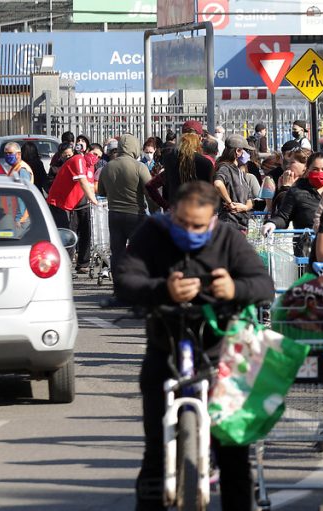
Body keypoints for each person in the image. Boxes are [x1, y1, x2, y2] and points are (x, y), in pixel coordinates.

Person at [115, 180, 274, 511]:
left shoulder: (228, 238)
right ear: (172, 213)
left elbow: (263, 284)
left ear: (213, 219)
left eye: (198, 226)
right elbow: (126, 279)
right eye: (182, 223)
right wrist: (163, 289)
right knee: (155, 451)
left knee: (233, 455)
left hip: (219, 354)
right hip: (166, 347)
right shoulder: (152, 233)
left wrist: (234, 289)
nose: (189, 231)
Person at [97, 134, 151, 292]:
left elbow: (101, 191)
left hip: (114, 214)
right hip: (136, 214)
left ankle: (118, 287)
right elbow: (150, 190)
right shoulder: (139, 167)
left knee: (117, 252)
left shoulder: (108, 167)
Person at [46, 143, 100, 267]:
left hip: (73, 204)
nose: (95, 157)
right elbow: (82, 181)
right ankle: (63, 266)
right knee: (65, 236)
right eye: (94, 154)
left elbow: (89, 185)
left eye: (98, 156)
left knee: (79, 233)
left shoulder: (89, 166)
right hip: (59, 203)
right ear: (87, 150)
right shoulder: (78, 160)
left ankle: (78, 264)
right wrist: (93, 200)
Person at [262, 152, 323, 241]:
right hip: (306, 245)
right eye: (315, 169)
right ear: (308, 170)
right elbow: (283, 217)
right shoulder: (296, 192)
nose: (320, 172)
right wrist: (272, 223)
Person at [146, 121, 214, 210]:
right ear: (200, 139)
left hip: (175, 213)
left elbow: (150, 186)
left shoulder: (169, 158)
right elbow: (210, 194)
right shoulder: (206, 163)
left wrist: (166, 205)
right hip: (197, 213)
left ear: (181, 137)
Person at [213, 134, 255, 233]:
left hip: (241, 224)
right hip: (230, 223)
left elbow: (249, 198)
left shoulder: (239, 171)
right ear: (238, 151)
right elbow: (218, 183)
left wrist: (245, 207)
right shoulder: (225, 168)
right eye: (245, 150)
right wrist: (230, 203)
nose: (247, 154)